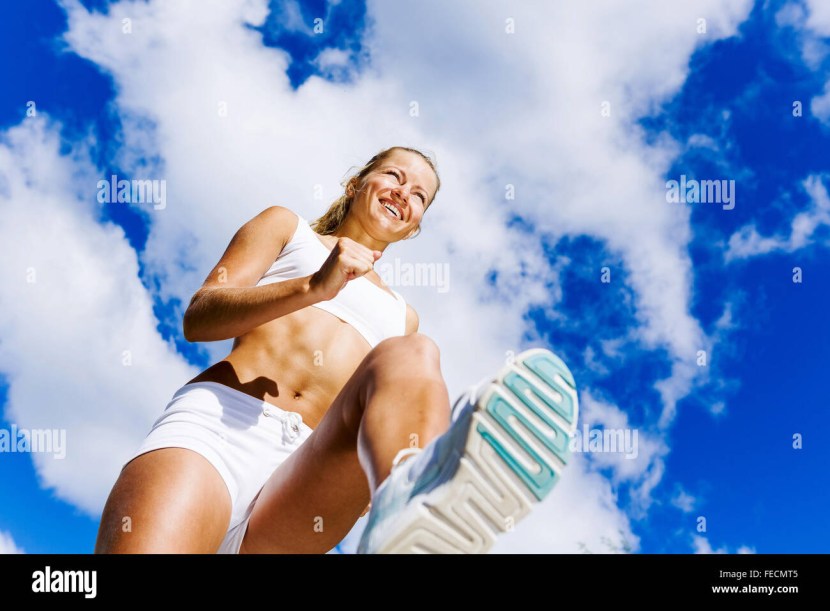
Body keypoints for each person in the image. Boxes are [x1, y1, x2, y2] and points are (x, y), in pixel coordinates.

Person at [94, 146, 579, 554]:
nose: (402, 194)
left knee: (414, 353)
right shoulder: (288, 229)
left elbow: (375, 406)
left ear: (413, 227)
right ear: (356, 184)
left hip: (303, 475)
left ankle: (411, 494)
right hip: (220, 427)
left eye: (419, 196)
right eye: (394, 175)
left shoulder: (401, 314)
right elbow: (199, 317)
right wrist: (313, 286)